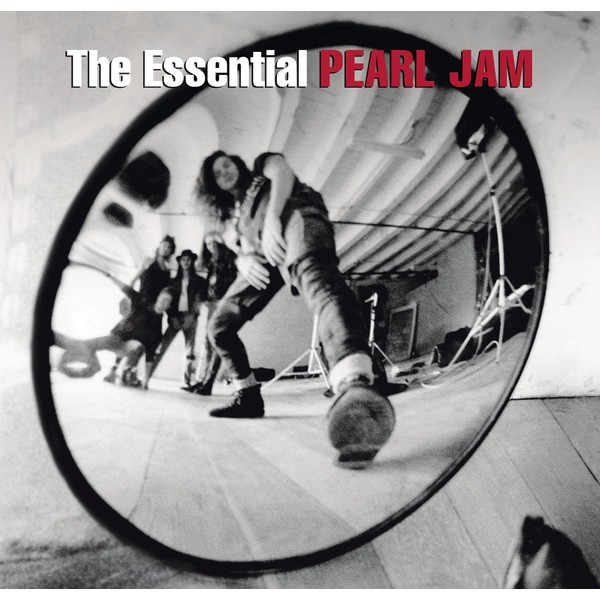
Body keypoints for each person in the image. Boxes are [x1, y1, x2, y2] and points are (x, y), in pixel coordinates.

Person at [198, 150, 396, 468]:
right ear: (215, 186)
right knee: (218, 325)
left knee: (319, 282)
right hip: (265, 255)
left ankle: (354, 384)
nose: (225, 173)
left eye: (227, 165)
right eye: (218, 174)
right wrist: (243, 259)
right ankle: (248, 396)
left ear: (237, 162)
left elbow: (282, 171)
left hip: (293, 217)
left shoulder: (261, 167)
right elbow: (239, 246)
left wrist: (273, 218)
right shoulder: (236, 216)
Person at [54, 274, 176, 390]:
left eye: (167, 302)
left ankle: (127, 373)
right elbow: (126, 289)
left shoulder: (157, 330)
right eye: (163, 299)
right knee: (92, 357)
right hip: (115, 337)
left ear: (169, 306)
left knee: (137, 346)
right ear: (159, 297)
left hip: (126, 349)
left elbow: (150, 357)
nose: (163, 303)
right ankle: (65, 353)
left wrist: (146, 381)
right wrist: (110, 276)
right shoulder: (142, 302)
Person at [104, 234, 176, 383]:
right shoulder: (148, 261)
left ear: (171, 251)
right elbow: (134, 278)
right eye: (164, 245)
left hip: (155, 310)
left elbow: (165, 292)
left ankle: (130, 372)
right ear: (159, 246)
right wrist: (127, 299)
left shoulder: (168, 268)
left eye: (169, 247)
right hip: (140, 304)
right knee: (127, 334)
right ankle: (113, 370)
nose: (166, 249)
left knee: (146, 341)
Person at [183, 232, 238, 395]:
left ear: (220, 242)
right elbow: (210, 282)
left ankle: (208, 382)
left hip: (224, 304)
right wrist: (205, 298)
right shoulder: (213, 261)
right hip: (213, 304)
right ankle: (203, 381)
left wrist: (223, 299)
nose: (211, 246)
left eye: (214, 243)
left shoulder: (230, 258)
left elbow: (233, 281)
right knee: (208, 342)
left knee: (218, 341)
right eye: (207, 244)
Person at [146, 249, 203, 386]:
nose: (186, 262)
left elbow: (199, 301)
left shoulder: (199, 281)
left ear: (192, 262)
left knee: (190, 351)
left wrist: (193, 316)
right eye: (183, 259)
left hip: (191, 318)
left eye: (189, 259)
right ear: (180, 262)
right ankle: (146, 378)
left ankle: (188, 381)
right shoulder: (172, 281)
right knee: (161, 348)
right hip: (175, 318)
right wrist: (172, 317)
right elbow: (168, 301)